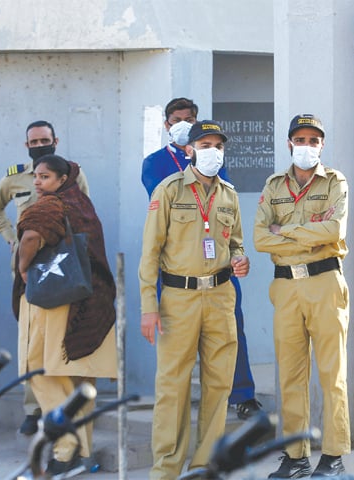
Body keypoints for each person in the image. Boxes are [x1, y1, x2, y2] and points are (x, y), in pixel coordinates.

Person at [139, 120, 250, 479]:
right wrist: (148, 307)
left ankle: (204, 466)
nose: (212, 152)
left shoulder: (230, 195)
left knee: (219, 384)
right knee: (173, 386)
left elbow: (236, 244)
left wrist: (240, 260)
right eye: (205, 145)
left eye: (218, 146)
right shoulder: (168, 190)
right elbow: (150, 253)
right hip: (178, 298)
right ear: (189, 150)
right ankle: (167, 469)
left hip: (220, 297)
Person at [254, 114, 350, 477]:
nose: (306, 146)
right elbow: (261, 237)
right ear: (289, 143)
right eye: (300, 139)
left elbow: (335, 229)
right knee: (290, 375)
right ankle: (296, 457)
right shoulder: (274, 185)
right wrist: (310, 231)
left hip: (325, 282)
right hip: (285, 286)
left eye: (313, 140)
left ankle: (334, 456)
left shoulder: (335, 181)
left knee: (332, 374)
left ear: (321, 145)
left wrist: (287, 229)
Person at [12, 154, 117, 477]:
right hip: (90, 304)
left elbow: (31, 237)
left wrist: (23, 266)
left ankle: (65, 447)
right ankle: (81, 453)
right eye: (36, 177)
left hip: (54, 304)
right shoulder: (82, 203)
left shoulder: (49, 206)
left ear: (61, 179)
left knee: (39, 370)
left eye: (44, 177)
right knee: (80, 381)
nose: (38, 183)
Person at [0, 120, 89, 436]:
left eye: (45, 140)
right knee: (30, 342)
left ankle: (62, 405)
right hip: (28, 270)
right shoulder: (14, 176)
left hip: (62, 268)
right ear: (26, 146)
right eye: (34, 142)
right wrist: (12, 241)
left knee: (58, 339)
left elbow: (83, 211)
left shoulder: (70, 172)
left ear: (56, 140)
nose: (39, 145)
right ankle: (33, 409)